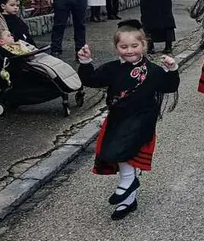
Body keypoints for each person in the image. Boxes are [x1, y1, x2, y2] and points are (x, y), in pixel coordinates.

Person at [76, 21, 179, 220]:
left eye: (134, 46)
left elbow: (169, 86)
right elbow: (92, 80)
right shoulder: (112, 69)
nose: (129, 50)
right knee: (119, 155)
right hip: (118, 119)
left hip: (141, 120)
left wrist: (173, 69)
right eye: (124, 46)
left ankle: (127, 185)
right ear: (116, 48)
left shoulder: (153, 70)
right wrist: (86, 63)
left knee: (124, 151)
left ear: (144, 45)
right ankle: (128, 200)